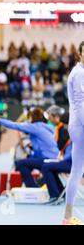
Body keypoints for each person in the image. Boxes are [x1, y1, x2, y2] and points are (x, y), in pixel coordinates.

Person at [0, 108, 59, 188]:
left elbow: (14, 125)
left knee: (20, 164)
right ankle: (40, 182)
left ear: (32, 118)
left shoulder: (35, 127)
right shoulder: (49, 127)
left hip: (47, 159)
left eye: (29, 118)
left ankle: (33, 188)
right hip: (55, 158)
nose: (28, 120)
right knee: (28, 159)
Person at [62, 41, 84, 225]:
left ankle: (67, 218)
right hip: (80, 125)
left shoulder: (78, 72)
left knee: (76, 171)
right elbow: (81, 103)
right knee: (77, 171)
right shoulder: (80, 73)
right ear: (80, 53)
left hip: (78, 125)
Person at [41, 105, 72, 205]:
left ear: (57, 117)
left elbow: (62, 147)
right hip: (71, 161)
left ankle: (55, 195)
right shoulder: (65, 129)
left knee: (46, 167)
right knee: (49, 167)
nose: (49, 121)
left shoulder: (63, 130)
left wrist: (62, 159)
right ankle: (60, 194)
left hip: (72, 163)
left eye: (50, 118)